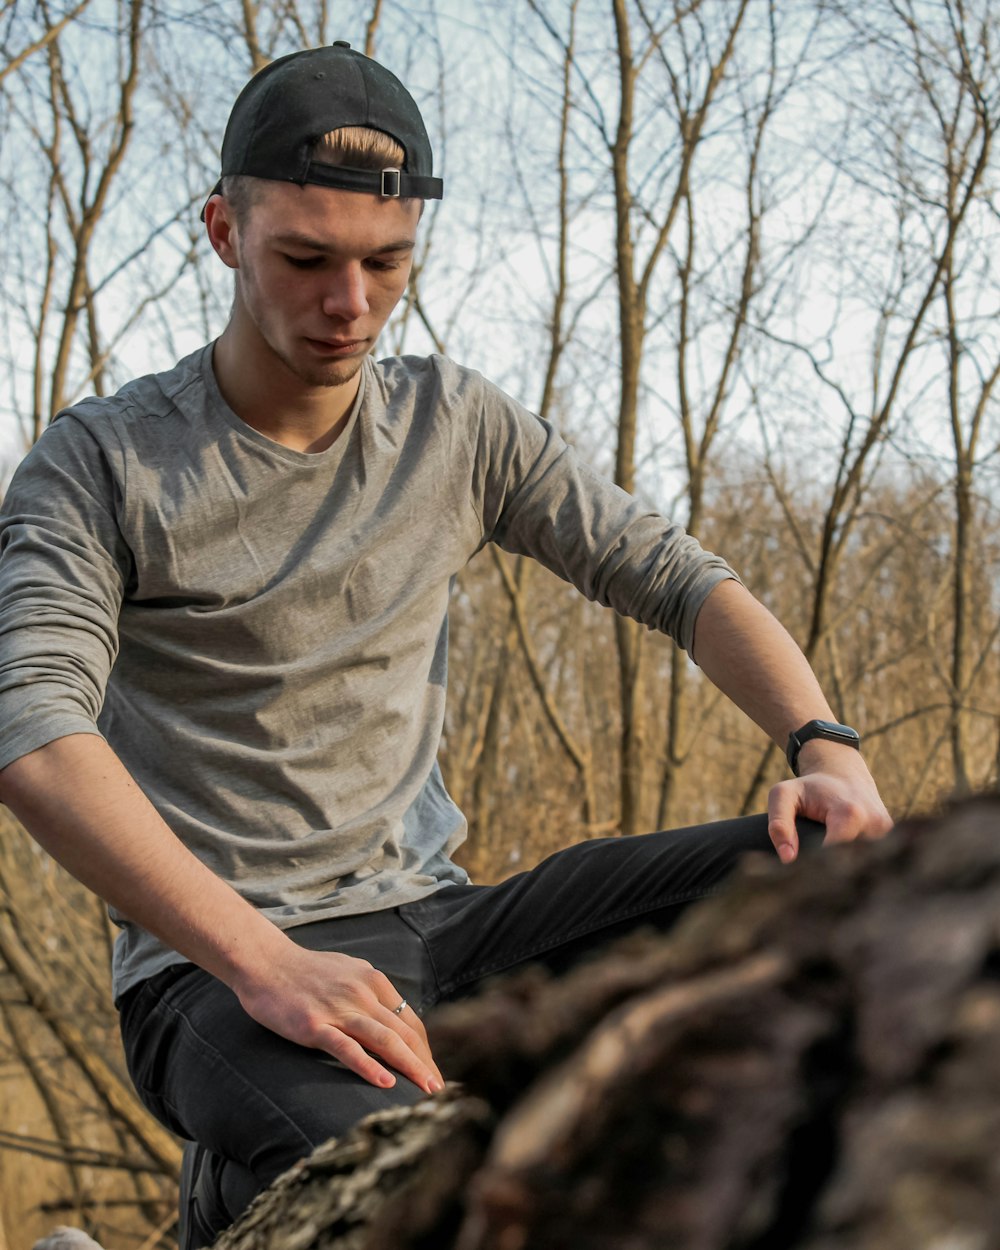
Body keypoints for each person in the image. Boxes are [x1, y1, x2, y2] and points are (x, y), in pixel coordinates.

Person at [0, 42, 892, 1247]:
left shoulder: (453, 425)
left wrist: (823, 741)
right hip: (216, 973)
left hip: (443, 925)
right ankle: (232, 1193)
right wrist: (264, 960)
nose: (349, 304)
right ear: (222, 229)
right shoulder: (101, 463)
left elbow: (678, 579)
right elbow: (35, 727)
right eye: (305, 260)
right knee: (429, 1186)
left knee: (843, 881)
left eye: (385, 263)